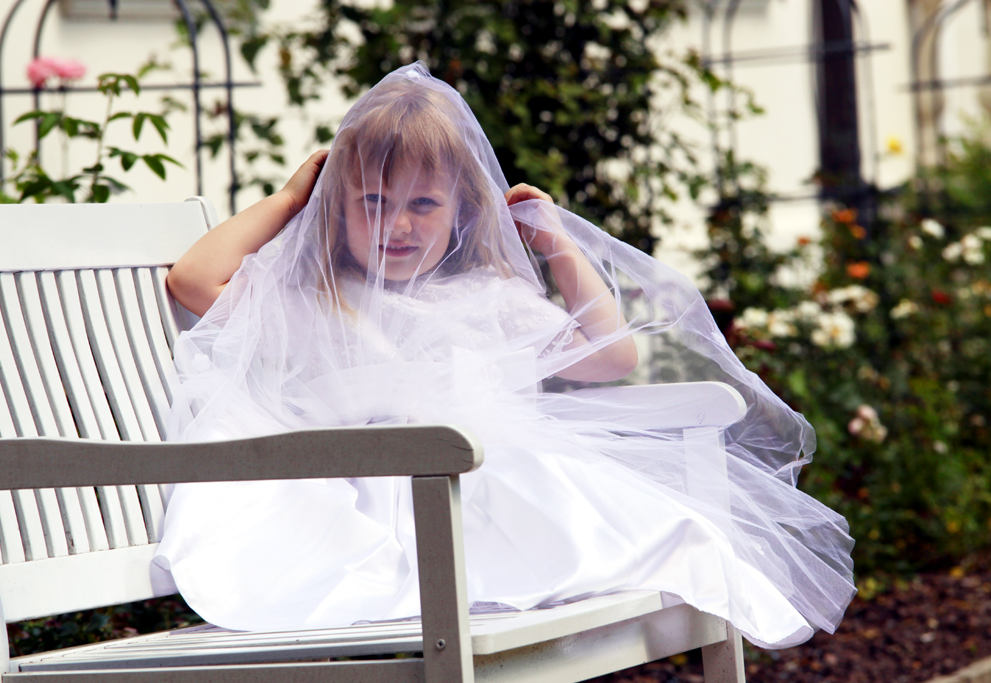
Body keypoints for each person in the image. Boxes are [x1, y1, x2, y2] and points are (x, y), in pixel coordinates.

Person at [153, 62, 855, 648]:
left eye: (423, 204)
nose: (396, 225)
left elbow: (610, 357)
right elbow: (191, 281)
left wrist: (557, 245)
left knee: (665, 527)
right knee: (475, 493)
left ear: (462, 208)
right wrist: (289, 198)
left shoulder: (481, 297)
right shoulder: (316, 298)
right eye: (369, 200)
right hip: (358, 499)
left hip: (478, 491)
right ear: (334, 208)